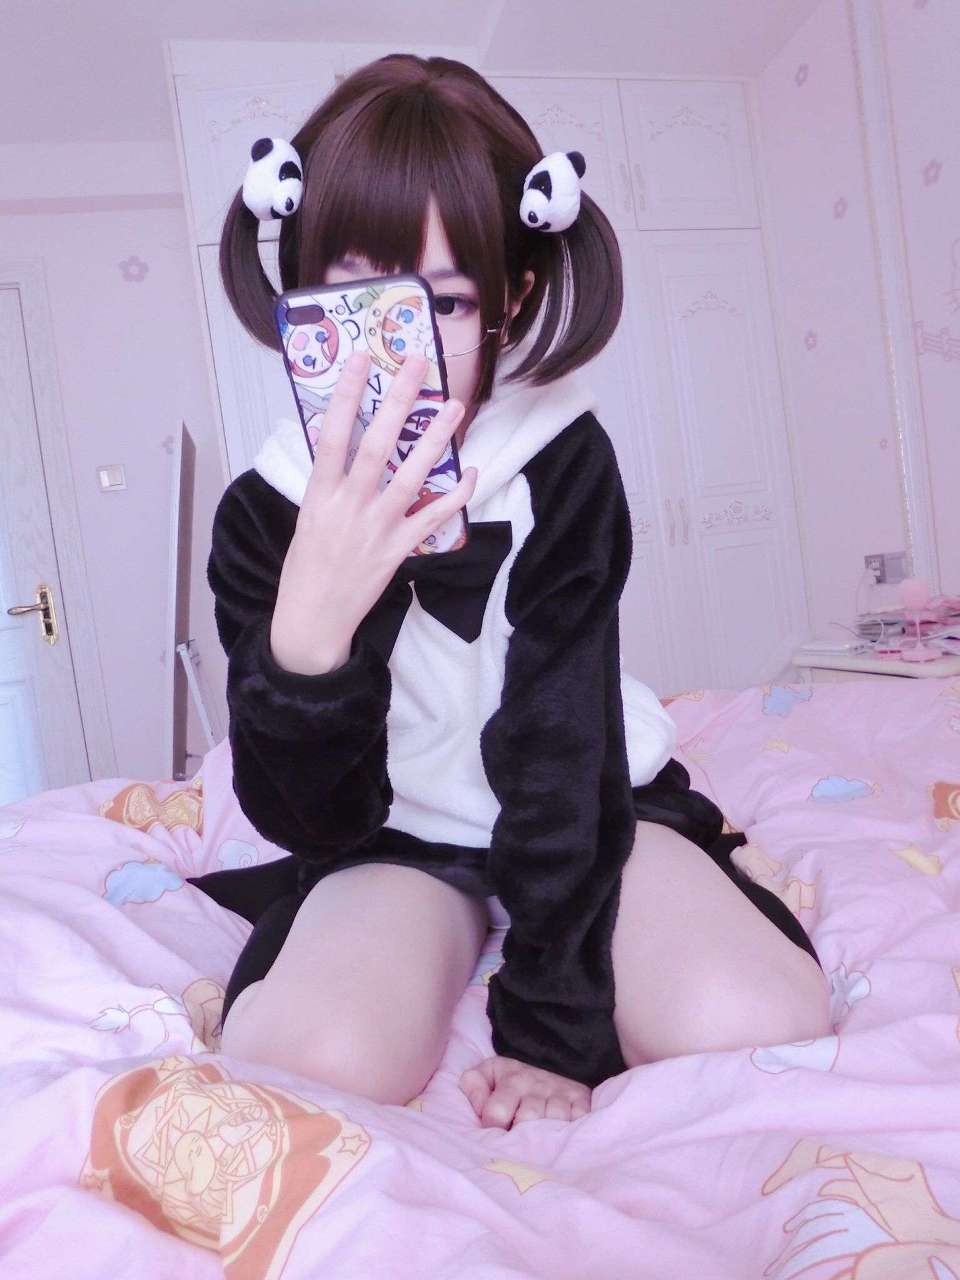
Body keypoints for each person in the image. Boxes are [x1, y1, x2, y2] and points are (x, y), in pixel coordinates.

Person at [187, 53, 831, 1131]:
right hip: (392, 832)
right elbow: (305, 815)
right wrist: (311, 631)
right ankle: (435, 919)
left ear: (510, 297)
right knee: (307, 1058)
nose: (400, 352)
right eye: (359, 295)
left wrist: (552, 1029)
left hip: (588, 804)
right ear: (302, 292)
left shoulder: (560, 454)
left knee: (758, 1016)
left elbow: (559, 741)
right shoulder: (265, 505)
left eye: (444, 301)